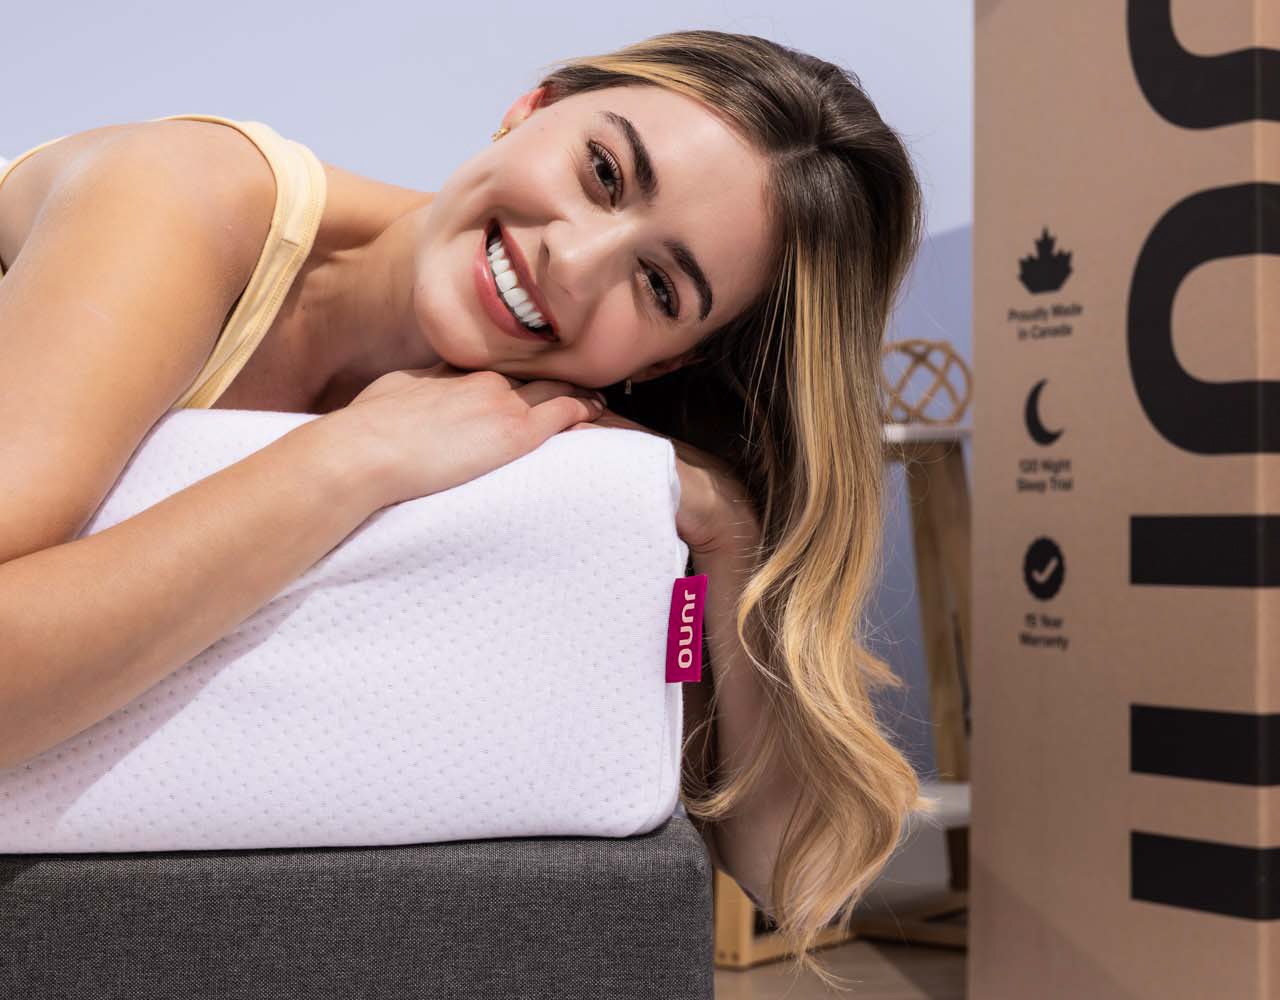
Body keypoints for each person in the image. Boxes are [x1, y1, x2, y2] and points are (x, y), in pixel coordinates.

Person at [0, 29, 935, 988]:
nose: (572, 261)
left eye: (658, 285)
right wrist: (349, 459)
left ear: (666, 362)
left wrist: (727, 533)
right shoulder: (179, 194)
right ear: (531, 107)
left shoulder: (563, 437)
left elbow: (793, 873)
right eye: (603, 171)